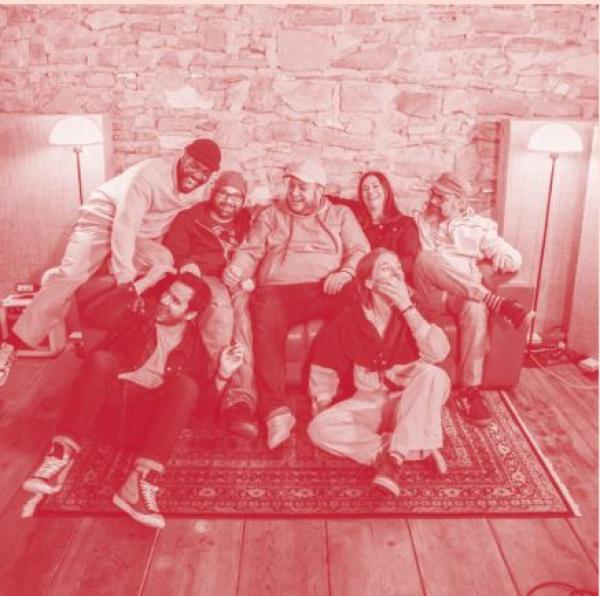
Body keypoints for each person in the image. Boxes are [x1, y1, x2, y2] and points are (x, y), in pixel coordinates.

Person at [21, 270, 244, 530]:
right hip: (107, 409)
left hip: (143, 425)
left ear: (190, 314)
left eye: (175, 301)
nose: (165, 301)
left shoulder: (194, 350)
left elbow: (197, 414)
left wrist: (223, 374)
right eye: (167, 293)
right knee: (101, 360)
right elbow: (94, 314)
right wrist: (145, 282)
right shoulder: (140, 312)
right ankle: (61, 455)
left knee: (186, 386)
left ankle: (139, 484)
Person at [9, 138, 222, 351]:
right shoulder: (147, 176)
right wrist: (125, 279)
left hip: (142, 234)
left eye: (205, 172)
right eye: (194, 166)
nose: (198, 175)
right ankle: (18, 340)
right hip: (103, 221)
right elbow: (125, 227)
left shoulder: (204, 188)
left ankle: (97, 279)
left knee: (163, 260)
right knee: (71, 275)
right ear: (183, 156)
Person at [223, 158, 370, 449]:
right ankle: (276, 411)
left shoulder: (341, 214)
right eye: (291, 186)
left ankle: (328, 395)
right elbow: (250, 251)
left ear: (319, 190)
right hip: (280, 291)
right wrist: (236, 268)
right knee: (262, 303)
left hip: (327, 287)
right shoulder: (271, 215)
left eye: (302, 188)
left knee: (359, 298)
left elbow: (360, 249)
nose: (294, 193)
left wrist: (346, 272)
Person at [307, 248, 451, 497]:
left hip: (408, 403)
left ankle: (395, 459)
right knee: (318, 428)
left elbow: (438, 353)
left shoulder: (416, 309)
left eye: (398, 268)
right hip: (369, 403)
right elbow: (324, 363)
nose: (396, 272)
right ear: (369, 283)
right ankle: (409, 449)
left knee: (434, 375)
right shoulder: (350, 318)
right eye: (386, 268)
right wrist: (323, 400)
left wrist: (407, 307)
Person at [413, 172, 533, 425]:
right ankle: (495, 302)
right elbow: (416, 259)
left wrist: (502, 261)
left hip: (461, 295)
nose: (433, 201)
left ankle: (471, 392)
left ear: (460, 201)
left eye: (441, 198)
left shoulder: (479, 227)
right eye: (433, 195)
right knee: (424, 258)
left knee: (476, 310)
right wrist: (426, 220)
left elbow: (512, 256)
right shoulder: (421, 220)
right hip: (430, 293)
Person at [163, 171, 259, 438]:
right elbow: (174, 252)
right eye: (224, 193)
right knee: (220, 311)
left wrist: (248, 274)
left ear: (243, 200)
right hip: (204, 277)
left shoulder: (247, 220)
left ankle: (240, 401)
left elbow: (257, 249)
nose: (229, 201)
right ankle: (218, 391)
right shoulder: (190, 218)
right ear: (213, 193)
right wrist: (186, 264)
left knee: (245, 314)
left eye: (236, 196)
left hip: (235, 279)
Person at [357, 171, 421, 287]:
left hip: (395, 282)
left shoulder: (405, 223)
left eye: (375, 186)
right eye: (365, 189)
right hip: (364, 283)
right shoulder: (357, 225)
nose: (370, 191)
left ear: (386, 190)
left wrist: (383, 271)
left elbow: (409, 260)